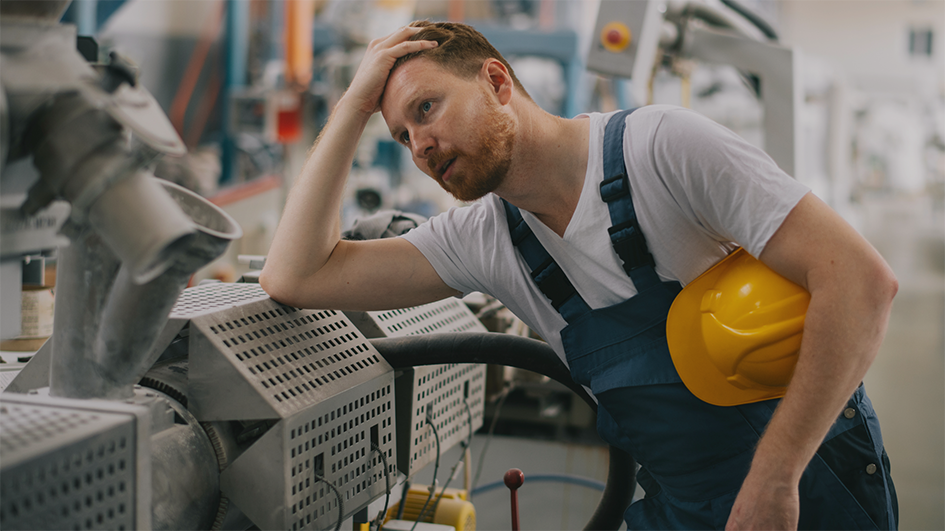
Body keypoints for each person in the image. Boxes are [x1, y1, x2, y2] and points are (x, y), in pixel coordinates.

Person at [260, 21, 899, 531]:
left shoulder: (661, 149)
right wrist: (350, 105)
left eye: (427, 108)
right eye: (402, 135)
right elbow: (296, 275)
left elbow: (861, 282)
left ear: (496, 81)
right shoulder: (485, 240)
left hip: (808, 482)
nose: (420, 145)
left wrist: (775, 479)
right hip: (685, 507)